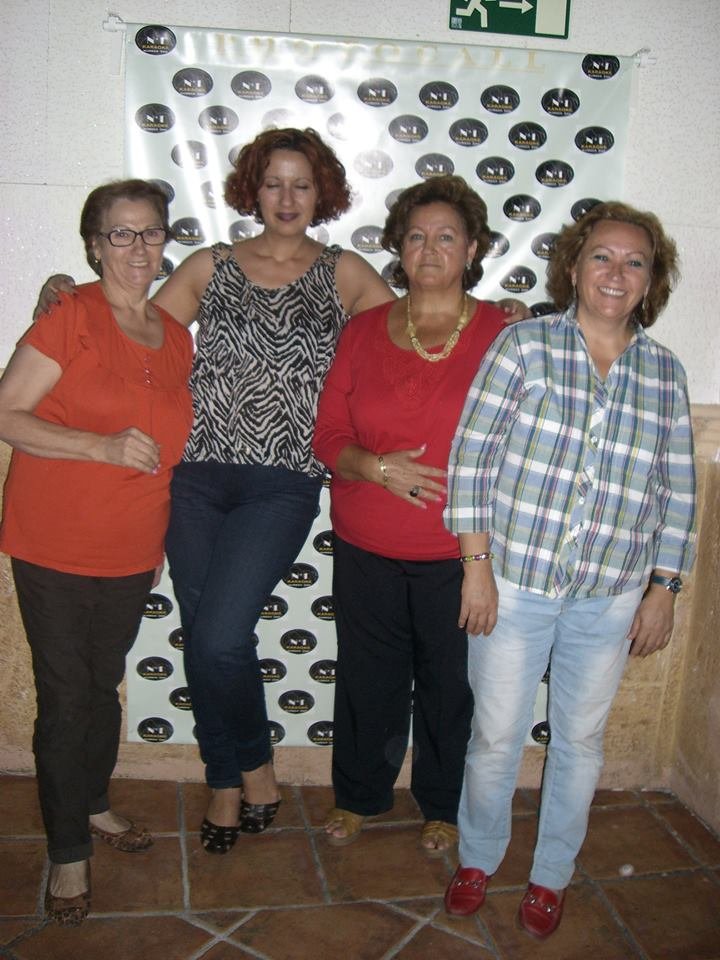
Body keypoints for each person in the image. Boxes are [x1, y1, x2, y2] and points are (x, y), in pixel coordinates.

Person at [33, 129, 526, 857]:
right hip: (197, 477)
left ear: (322, 191)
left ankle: (254, 767)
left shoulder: (343, 271)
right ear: (252, 191)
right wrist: (64, 293)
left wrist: (505, 317)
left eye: (302, 184)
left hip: (283, 480)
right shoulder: (210, 265)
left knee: (219, 634)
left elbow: (417, 326)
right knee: (209, 639)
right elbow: (133, 325)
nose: (287, 198)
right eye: (273, 183)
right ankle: (230, 778)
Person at [442, 201, 696, 938]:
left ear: (651, 279)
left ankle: (551, 873)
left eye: (635, 261)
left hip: (610, 595)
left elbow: (678, 489)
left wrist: (664, 589)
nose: (616, 273)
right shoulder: (524, 345)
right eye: (602, 257)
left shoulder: (663, 373)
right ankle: (478, 859)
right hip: (514, 584)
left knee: (580, 741)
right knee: (496, 736)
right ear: (575, 267)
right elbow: (471, 460)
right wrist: (477, 569)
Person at [0, 180, 194, 925]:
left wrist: (159, 541)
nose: (138, 247)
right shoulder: (70, 314)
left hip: (132, 548)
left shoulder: (174, 335)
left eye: (150, 232)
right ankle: (68, 851)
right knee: (65, 696)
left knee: (103, 683)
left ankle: (92, 801)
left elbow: (166, 450)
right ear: (93, 245)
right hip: (53, 542)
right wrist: (98, 447)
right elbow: (7, 414)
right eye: (121, 233)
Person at [312, 176, 515, 855]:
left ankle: (443, 804)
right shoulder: (363, 330)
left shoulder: (505, 335)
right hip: (366, 542)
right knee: (366, 679)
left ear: (473, 249)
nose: (430, 249)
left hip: (460, 553)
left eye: (447, 237)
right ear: (399, 247)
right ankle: (358, 796)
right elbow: (328, 435)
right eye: (417, 236)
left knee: (449, 687)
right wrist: (378, 468)